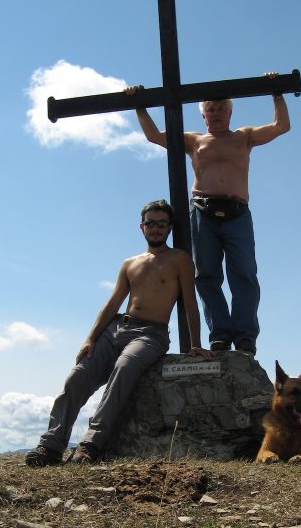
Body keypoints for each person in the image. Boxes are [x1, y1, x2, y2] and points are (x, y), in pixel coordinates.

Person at [25, 199, 212, 467]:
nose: (156, 229)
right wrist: (90, 338)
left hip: (151, 334)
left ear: (169, 228)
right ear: (142, 227)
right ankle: (50, 446)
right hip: (117, 327)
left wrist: (196, 344)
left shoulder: (180, 260)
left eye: (161, 224)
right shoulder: (129, 263)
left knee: (124, 368)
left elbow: (190, 304)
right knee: (77, 377)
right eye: (151, 224)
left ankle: (90, 444)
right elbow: (112, 303)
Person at [128, 73, 290, 355]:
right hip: (203, 211)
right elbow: (155, 136)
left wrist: (277, 92)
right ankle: (219, 334)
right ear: (203, 116)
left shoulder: (245, 136)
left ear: (230, 112)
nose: (215, 114)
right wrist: (139, 105)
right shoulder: (194, 140)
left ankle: (245, 337)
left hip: (238, 211)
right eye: (210, 110)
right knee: (207, 276)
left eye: (220, 109)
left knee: (245, 275)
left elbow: (281, 126)